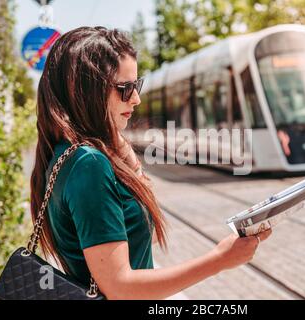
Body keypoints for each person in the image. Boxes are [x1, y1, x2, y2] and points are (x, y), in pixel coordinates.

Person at [30, 26, 272, 300]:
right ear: (88, 92)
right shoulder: (88, 164)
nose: (136, 99)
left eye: (137, 85)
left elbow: (144, 238)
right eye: (126, 88)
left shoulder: (64, 154)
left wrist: (120, 147)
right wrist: (220, 259)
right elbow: (121, 287)